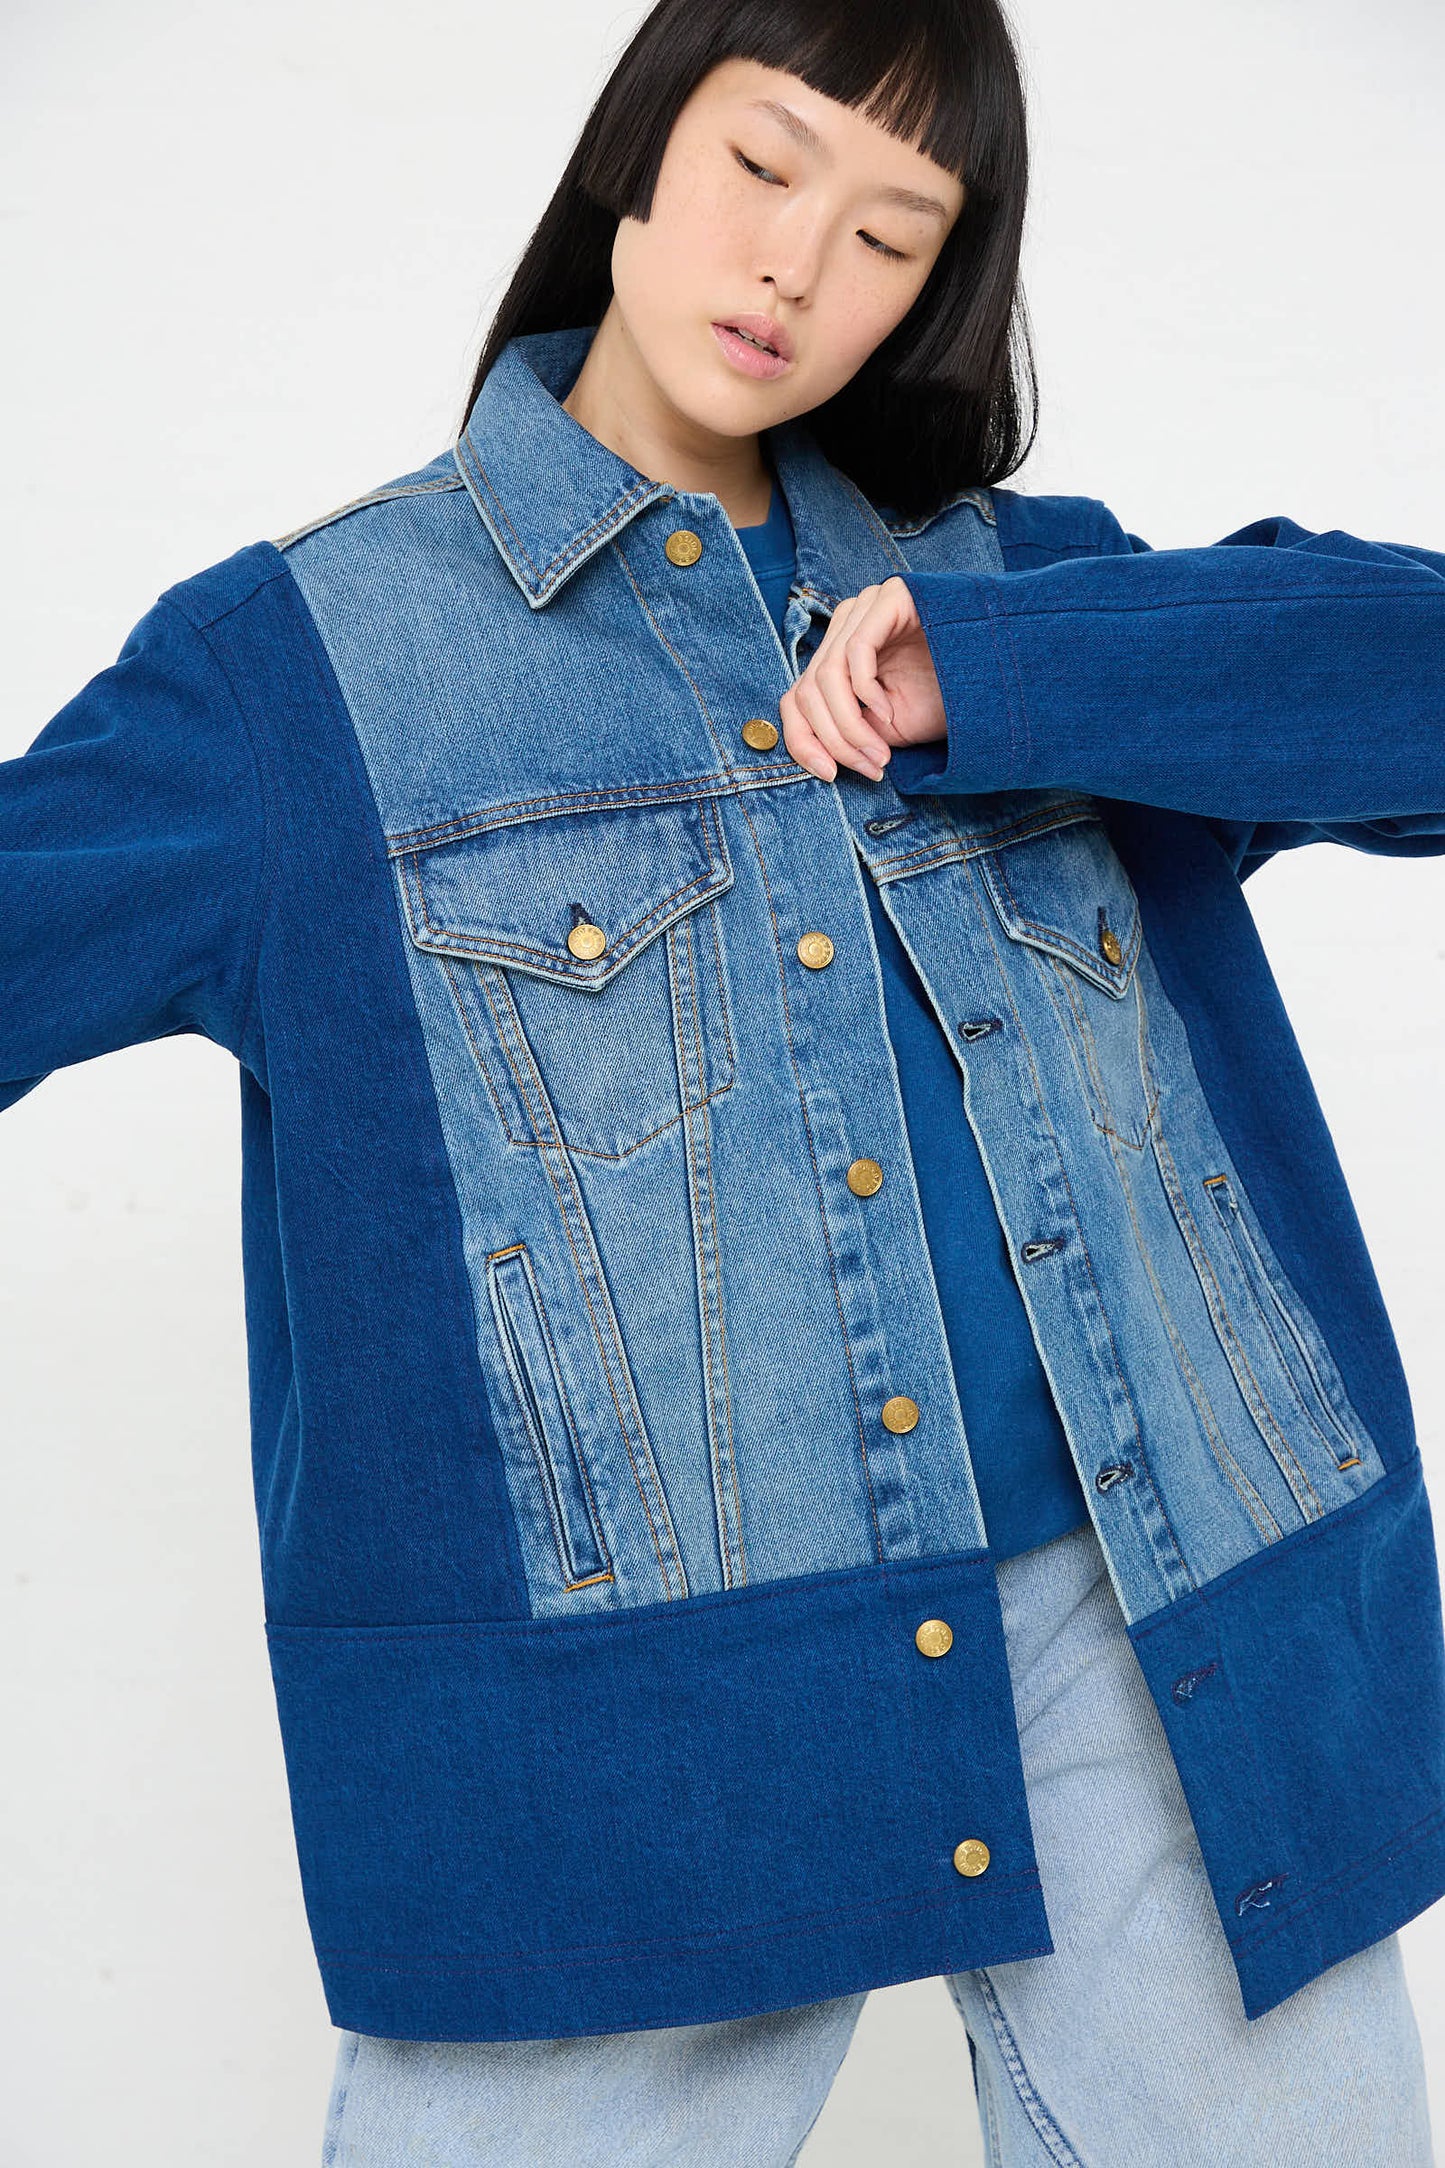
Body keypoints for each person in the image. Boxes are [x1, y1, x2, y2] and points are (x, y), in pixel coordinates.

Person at [5, 1, 1443, 2161]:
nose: (796, 269)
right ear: (642, 150)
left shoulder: (1030, 591)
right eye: (767, 166)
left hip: (1161, 1644)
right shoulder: (303, 671)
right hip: (638, 1728)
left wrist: (1018, 673)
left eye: (890, 234)